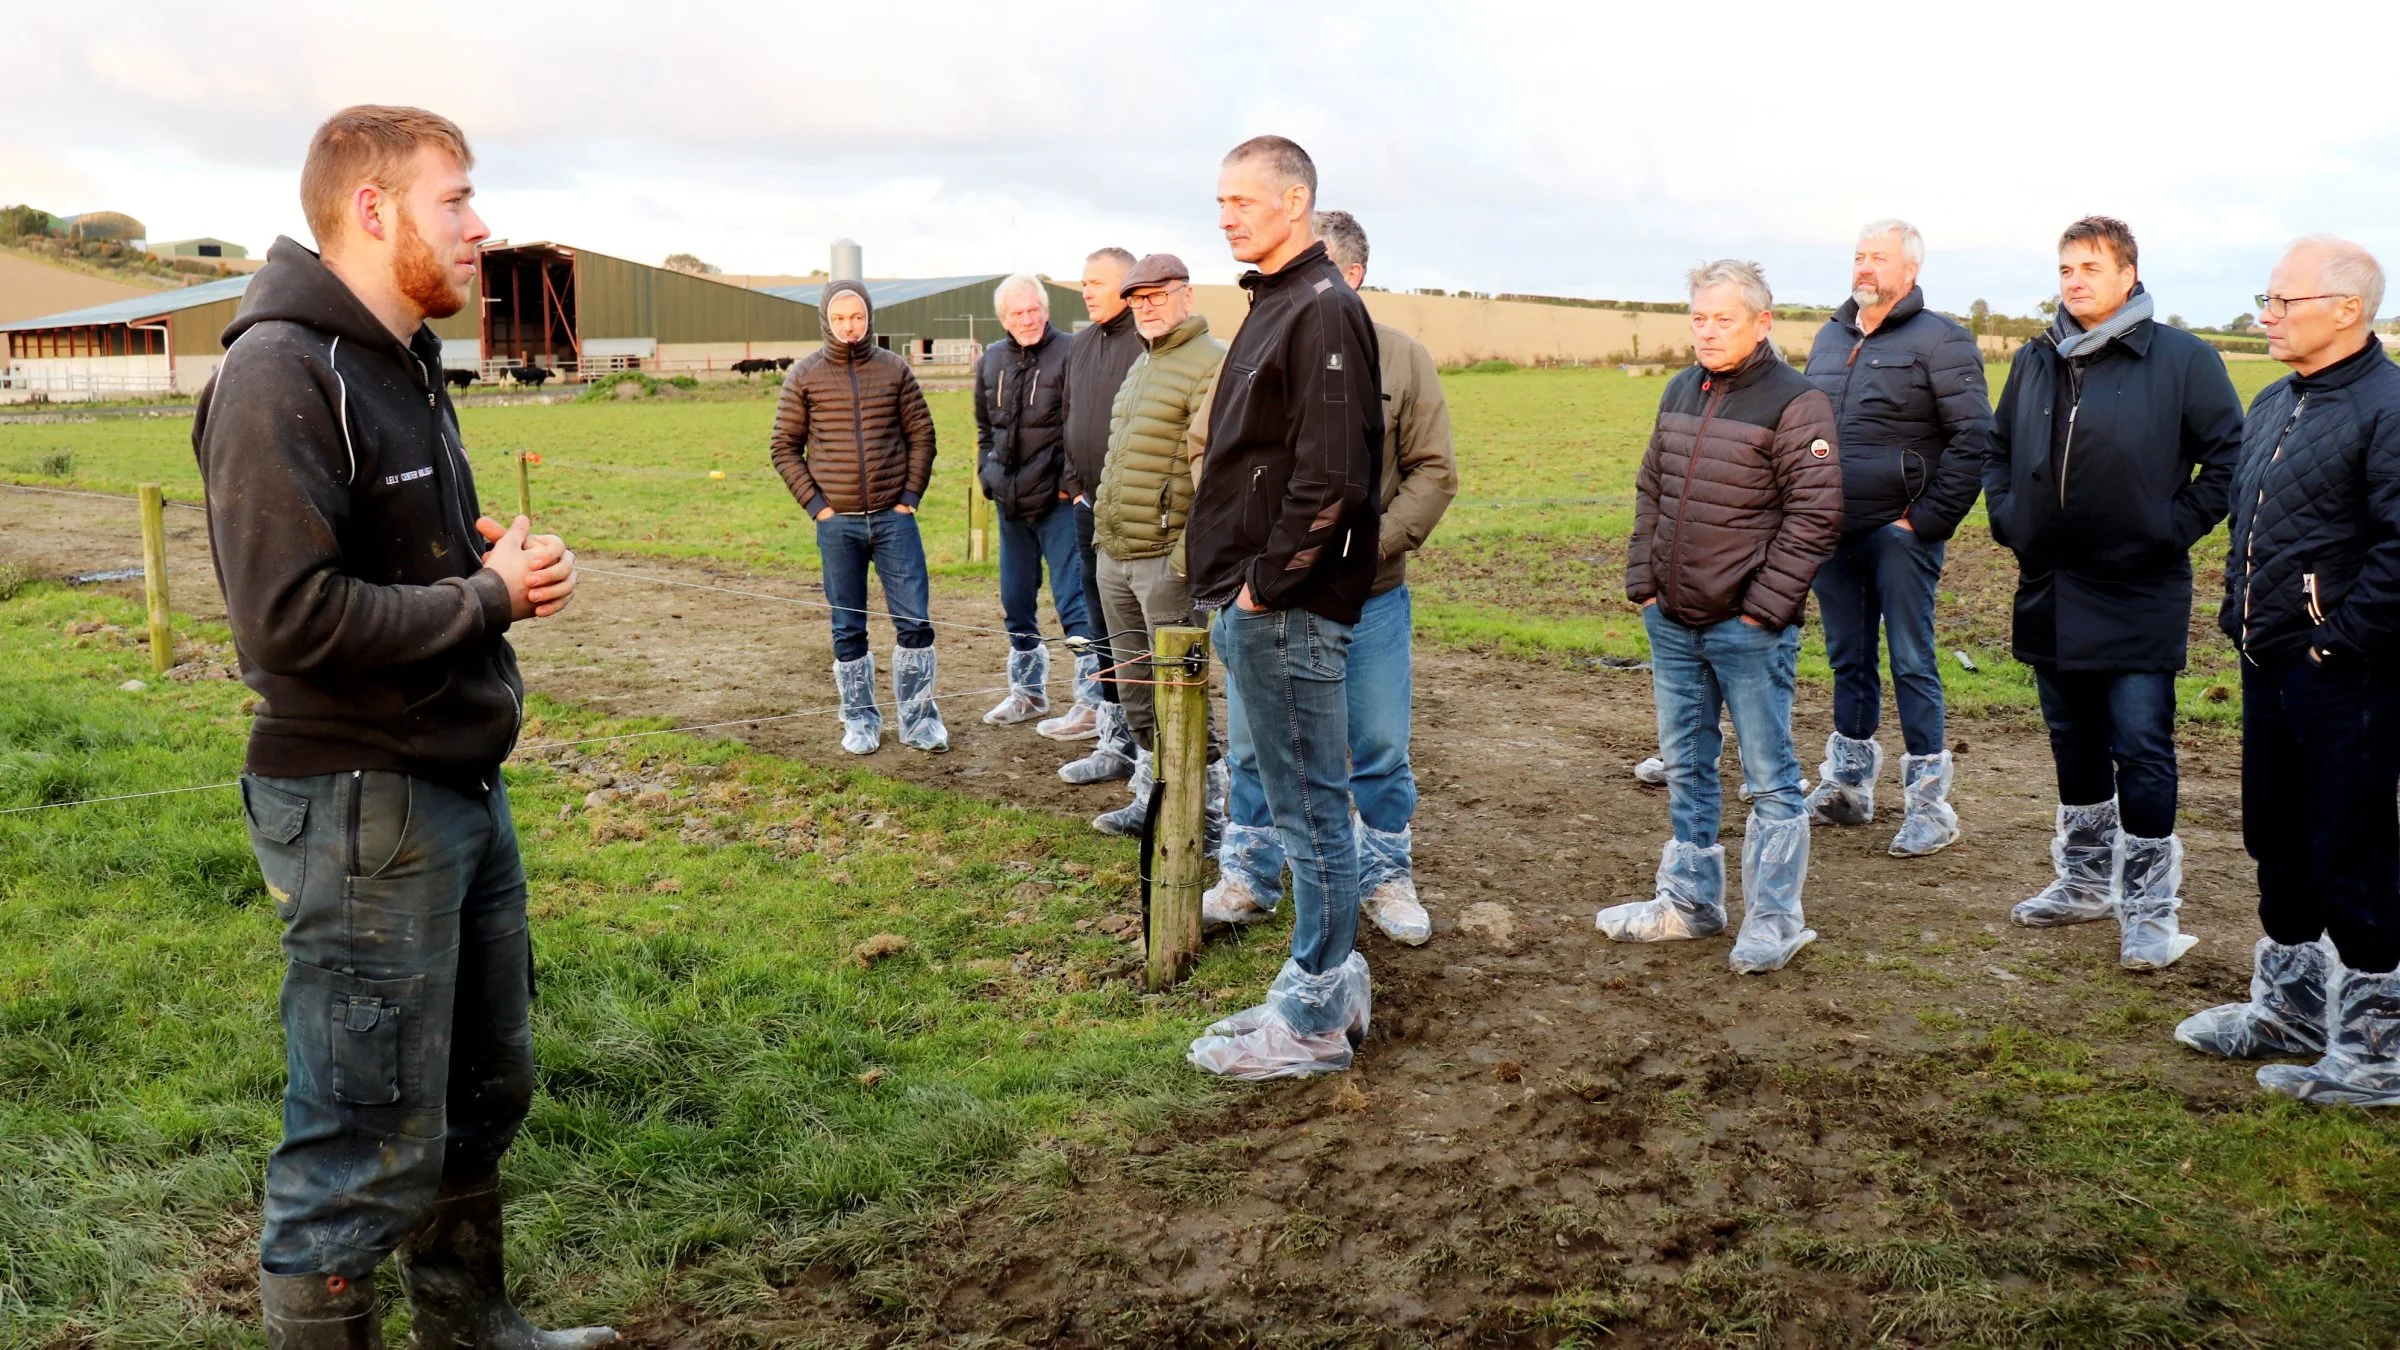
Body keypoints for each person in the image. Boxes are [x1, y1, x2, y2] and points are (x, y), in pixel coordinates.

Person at [192, 105, 613, 1348]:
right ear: (373, 210)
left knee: (482, 1094)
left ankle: (470, 1329)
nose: (482, 229)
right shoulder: (281, 371)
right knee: (360, 1143)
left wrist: (490, 565)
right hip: (360, 804)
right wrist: (485, 600)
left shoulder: (403, 356)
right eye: (457, 201)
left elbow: (410, 560)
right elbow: (284, 623)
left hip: (457, 786)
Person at [1985, 217, 2240, 970]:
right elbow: (1996, 448)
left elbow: (2229, 456)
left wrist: (2170, 527)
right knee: (2073, 740)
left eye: (2090, 266)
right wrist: (2008, 518)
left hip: (2138, 586)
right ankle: (2085, 882)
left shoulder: (2183, 360)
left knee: (2142, 747)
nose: (2074, 280)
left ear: (2129, 274)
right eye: (2066, 267)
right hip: (2050, 584)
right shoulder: (2038, 358)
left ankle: (2150, 912)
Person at [2180, 236, 2400, 1106]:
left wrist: (2335, 640)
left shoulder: (2389, 409)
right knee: (2277, 836)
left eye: (2281, 302)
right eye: (2265, 302)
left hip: (2349, 672)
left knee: (2353, 848)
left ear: (2346, 311)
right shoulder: (2276, 400)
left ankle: (2378, 1054)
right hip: (2268, 660)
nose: (2264, 316)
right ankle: (2290, 1011)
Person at [1183, 136, 1384, 1079]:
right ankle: (1332, 988)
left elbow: (1333, 474)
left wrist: (1267, 585)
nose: (1225, 216)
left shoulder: (1322, 309)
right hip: (1260, 600)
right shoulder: (1275, 303)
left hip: (1286, 608)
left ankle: (1306, 1018)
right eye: (1219, 201)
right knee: (1311, 805)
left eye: (1242, 201)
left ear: (1295, 200)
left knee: (1310, 813)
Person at [1206, 209, 1458, 947]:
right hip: (1269, 596)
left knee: (1377, 743)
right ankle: (1250, 875)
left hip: (1370, 597)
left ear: (1351, 276)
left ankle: (1384, 874)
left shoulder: (1403, 359)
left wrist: (1361, 549)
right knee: (1253, 740)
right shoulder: (1258, 347)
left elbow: (1434, 472)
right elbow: (1209, 451)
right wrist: (1249, 554)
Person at [1596, 259, 1842, 975]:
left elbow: (1816, 516)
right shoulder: (1681, 389)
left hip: (1748, 629)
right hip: (1671, 621)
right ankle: (1691, 902)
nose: (1706, 331)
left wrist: (1764, 610)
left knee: (1770, 776)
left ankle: (1774, 919)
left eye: (1722, 319)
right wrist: (1644, 583)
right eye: (1698, 318)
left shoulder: (1797, 403)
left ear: (1761, 323)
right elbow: (1652, 490)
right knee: (1686, 763)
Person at [1801, 220, 1992, 856]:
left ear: (1909, 272)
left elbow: (1975, 439)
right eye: (1858, 256)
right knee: (1847, 658)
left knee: (1912, 661)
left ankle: (1929, 806)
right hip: (1833, 528)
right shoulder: (1829, 338)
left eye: (1877, 258)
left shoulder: (1942, 340)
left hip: (1899, 533)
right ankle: (1849, 788)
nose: (1864, 268)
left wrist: (1925, 522)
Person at [1085, 253, 1229, 838]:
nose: (1146, 306)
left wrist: (1184, 559)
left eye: (1157, 295)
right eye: (1137, 298)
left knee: (1180, 691)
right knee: (1137, 687)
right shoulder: (1142, 362)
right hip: (1115, 552)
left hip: (1165, 560)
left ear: (1185, 295)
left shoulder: (1211, 364)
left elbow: (1215, 472)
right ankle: (1152, 801)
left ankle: (1209, 817)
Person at [770, 280, 947, 755]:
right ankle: (860, 720)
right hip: (838, 525)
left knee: (915, 622)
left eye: (858, 318)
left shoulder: (895, 370)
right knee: (848, 626)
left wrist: (908, 497)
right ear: (826, 320)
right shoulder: (804, 375)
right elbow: (784, 447)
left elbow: (922, 437)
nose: (850, 327)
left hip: (894, 521)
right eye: (841, 318)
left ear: (870, 318)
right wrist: (819, 509)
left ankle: (920, 720)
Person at [975, 274, 1094, 724]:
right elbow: (985, 428)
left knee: (1074, 599)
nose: (1026, 319)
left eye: (1032, 310)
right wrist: (989, 476)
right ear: (1003, 318)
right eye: (1016, 313)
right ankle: (1028, 692)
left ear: (1045, 310)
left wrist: (1068, 483)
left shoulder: (1072, 352)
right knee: (1016, 598)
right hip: (1009, 502)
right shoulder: (991, 360)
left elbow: (1079, 425)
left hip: (1058, 503)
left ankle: (1091, 698)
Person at [1047, 247, 1145, 772]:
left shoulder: (1147, 342)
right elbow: (1069, 417)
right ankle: (1113, 740)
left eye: (1096, 282)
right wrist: (1074, 483)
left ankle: (1148, 744)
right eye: (1082, 283)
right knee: (1101, 620)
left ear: (1126, 285)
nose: (1085, 291)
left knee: (1135, 626)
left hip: (1133, 512)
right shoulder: (1081, 344)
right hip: (1087, 506)